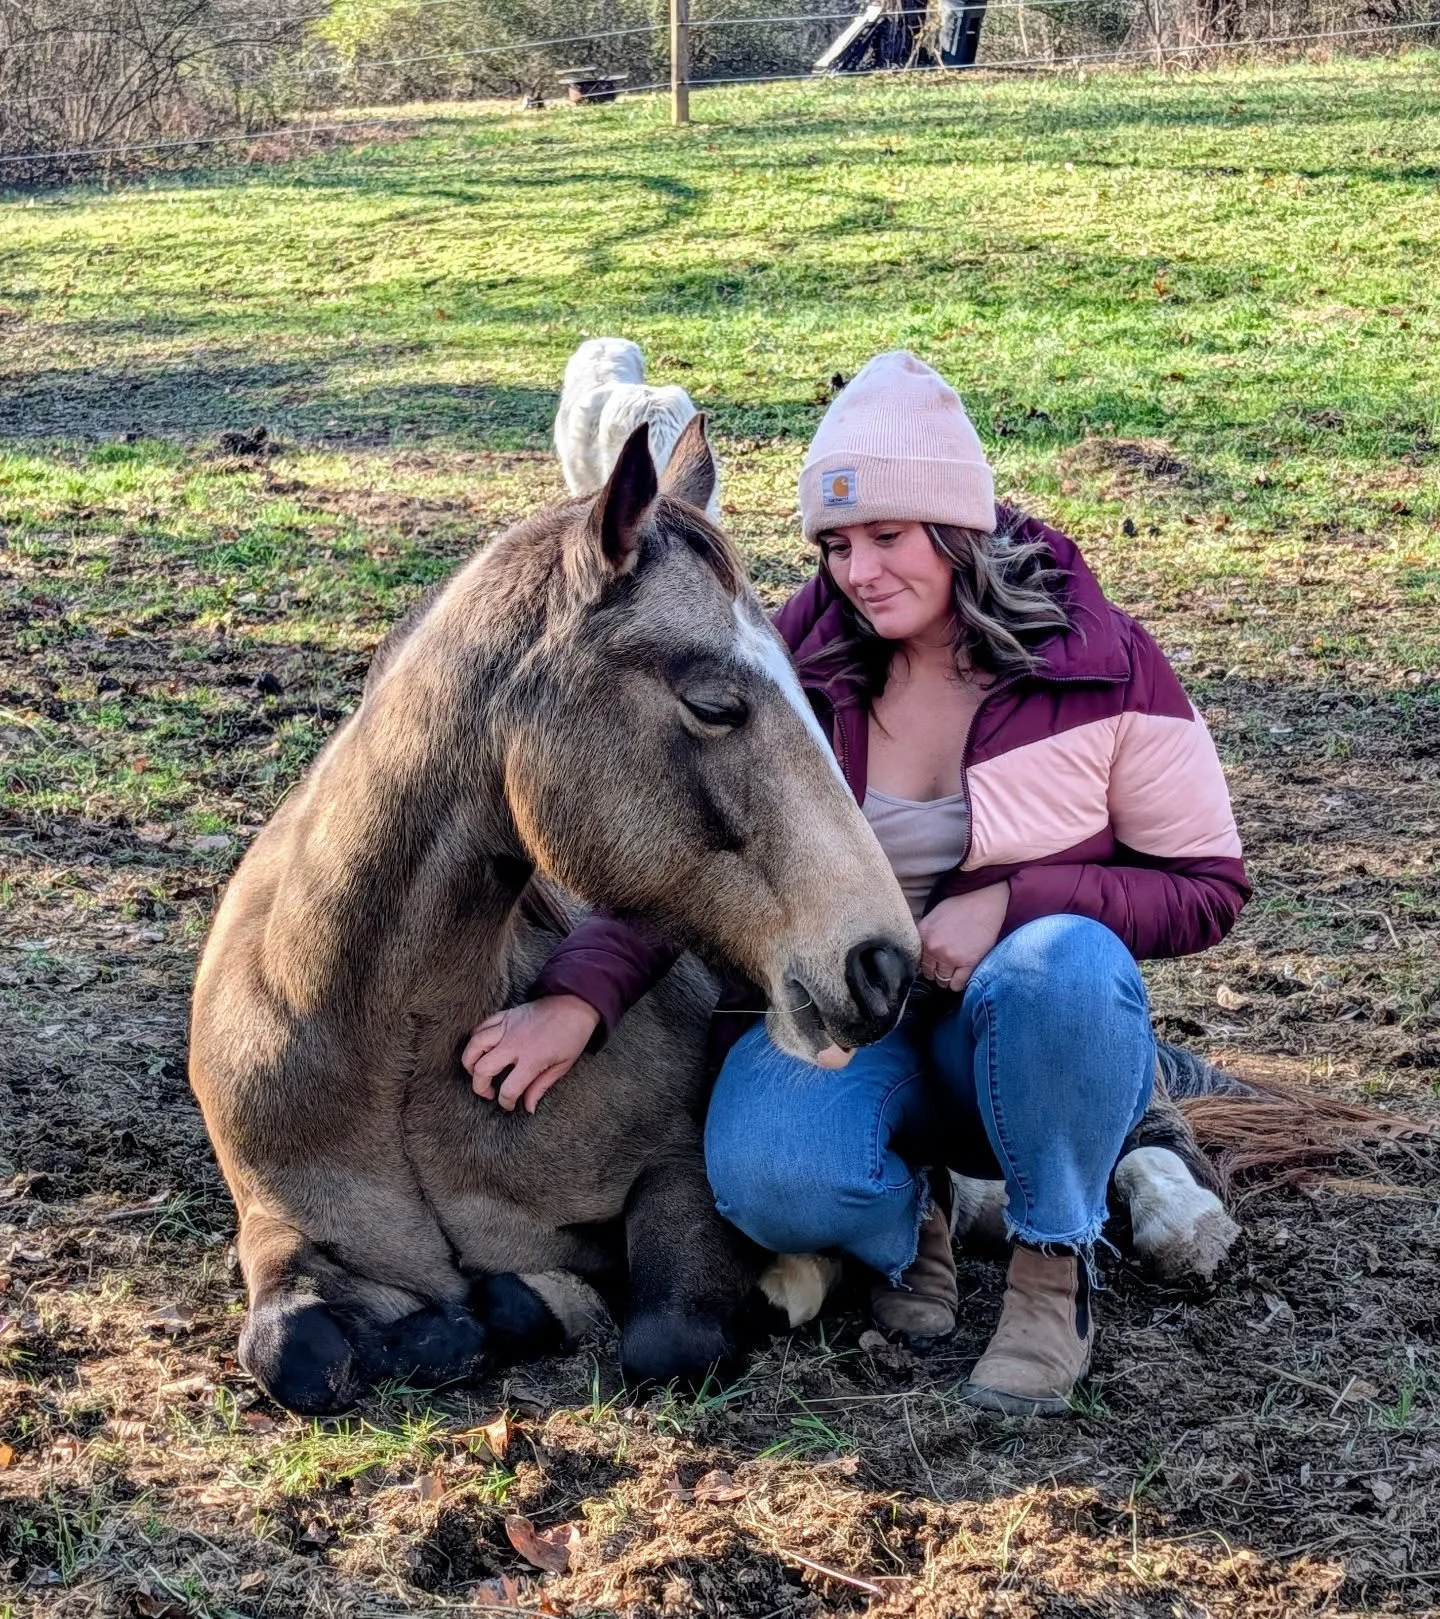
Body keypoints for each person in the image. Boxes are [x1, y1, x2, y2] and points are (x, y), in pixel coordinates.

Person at [462, 352, 1249, 1416]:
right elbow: (702, 841)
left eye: (886, 535)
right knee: (767, 1176)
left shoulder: (1101, 662)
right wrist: (577, 995)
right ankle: (906, 1219)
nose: (859, 570)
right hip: (859, 1020)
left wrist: (1015, 900)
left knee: (1060, 961)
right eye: (834, 544)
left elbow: (1206, 883)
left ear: (955, 525)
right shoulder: (799, 661)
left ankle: (1051, 1266)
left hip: (1024, 1024)